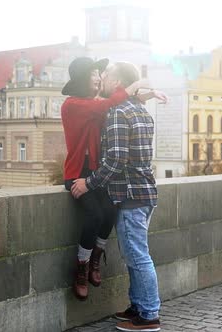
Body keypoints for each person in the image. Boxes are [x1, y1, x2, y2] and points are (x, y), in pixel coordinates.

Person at [61, 57, 165, 301]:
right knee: (95, 215)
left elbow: (114, 106)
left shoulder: (99, 105)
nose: (99, 77)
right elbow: (107, 106)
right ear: (82, 79)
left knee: (109, 211)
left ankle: (96, 257)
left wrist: (144, 95)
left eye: (101, 73)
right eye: (94, 73)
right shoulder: (73, 105)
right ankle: (82, 265)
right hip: (78, 173)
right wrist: (136, 84)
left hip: (97, 173)